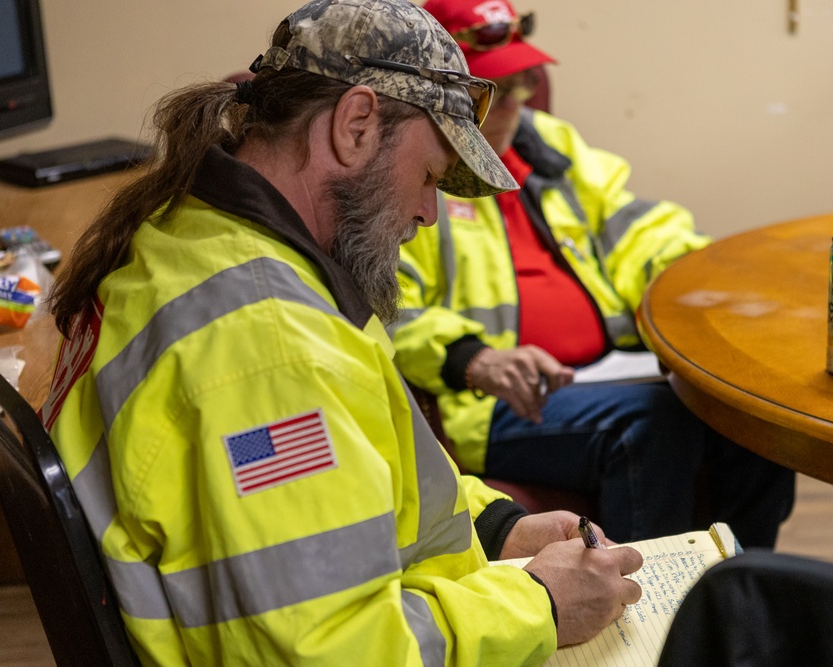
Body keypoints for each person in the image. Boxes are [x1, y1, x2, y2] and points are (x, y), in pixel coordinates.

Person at [39, 0, 642, 664]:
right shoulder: (270, 349)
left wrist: (499, 526)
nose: (428, 212)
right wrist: (543, 605)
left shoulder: (194, 235)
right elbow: (336, 651)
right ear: (356, 124)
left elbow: (368, 481)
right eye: (428, 175)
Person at [392, 0, 797, 547]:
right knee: (652, 424)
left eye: (525, 82)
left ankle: (740, 595)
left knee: (754, 422)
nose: (520, 102)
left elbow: (634, 227)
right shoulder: (415, 175)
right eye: (500, 88)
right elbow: (389, 307)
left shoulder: (548, 143)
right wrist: (473, 357)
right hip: (502, 398)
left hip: (613, 369)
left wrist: (699, 281)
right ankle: (652, 612)